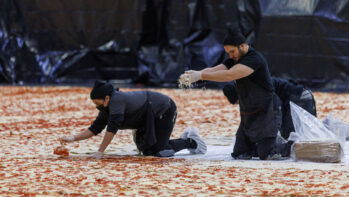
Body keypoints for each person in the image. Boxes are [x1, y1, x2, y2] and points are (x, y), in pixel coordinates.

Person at [180, 29, 286, 160]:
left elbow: (229, 75)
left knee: (268, 155)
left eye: (232, 51)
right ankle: (260, 146)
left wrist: (201, 75)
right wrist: (195, 74)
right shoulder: (236, 58)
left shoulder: (254, 59)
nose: (230, 55)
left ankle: (289, 143)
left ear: (242, 46)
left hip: (267, 109)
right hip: (249, 110)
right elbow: (215, 70)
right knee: (239, 153)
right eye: (228, 52)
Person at [59, 81, 206, 158]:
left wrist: (100, 151)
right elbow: (95, 129)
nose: (96, 107)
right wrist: (72, 139)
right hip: (147, 117)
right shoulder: (105, 107)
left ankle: (191, 142)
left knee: (158, 151)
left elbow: (112, 128)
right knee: (146, 149)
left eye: (97, 103)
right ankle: (183, 140)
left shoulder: (117, 101)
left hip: (164, 109)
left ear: (107, 98)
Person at [223, 77, 317, 139]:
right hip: (295, 96)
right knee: (290, 132)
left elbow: (274, 111)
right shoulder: (249, 85)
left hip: (299, 96)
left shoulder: (255, 90)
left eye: (239, 101)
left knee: (294, 132)